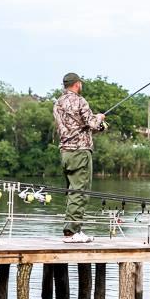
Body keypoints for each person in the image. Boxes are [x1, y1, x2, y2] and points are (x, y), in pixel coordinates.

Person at [53, 72, 106, 243]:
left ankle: (74, 229)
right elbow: (92, 123)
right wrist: (100, 118)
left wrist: (99, 126)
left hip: (65, 153)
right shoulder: (80, 101)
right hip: (80, 152)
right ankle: (71, 232)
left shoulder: (58, 104)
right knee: (80, 192)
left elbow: (80, 126)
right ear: (77, 84)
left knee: (72, 191)